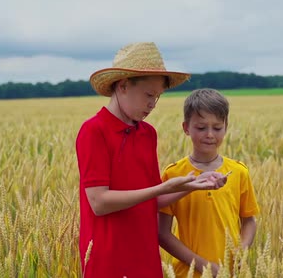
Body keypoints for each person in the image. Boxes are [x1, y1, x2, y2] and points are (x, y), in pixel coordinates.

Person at [76, 43, 227, 278]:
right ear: (123, 85)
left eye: (157, 97)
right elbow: (99, 202)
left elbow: (152, 200)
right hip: (107, 257)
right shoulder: (94, 131)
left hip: (145, 254)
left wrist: (193, 183)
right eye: (148, 95)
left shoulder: (147, 134)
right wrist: (162, 187)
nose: (152, 104)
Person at [159, 88, 260, 277]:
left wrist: (241, 252)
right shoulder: (173, 174)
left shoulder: (238, 172)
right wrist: (204, 266)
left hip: (230, 272)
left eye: (217, 127)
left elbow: (249, 221)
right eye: (201, 127)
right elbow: (162, 233)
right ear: (186, 128)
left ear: (226, 127)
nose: (210, 134)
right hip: (187, 273)